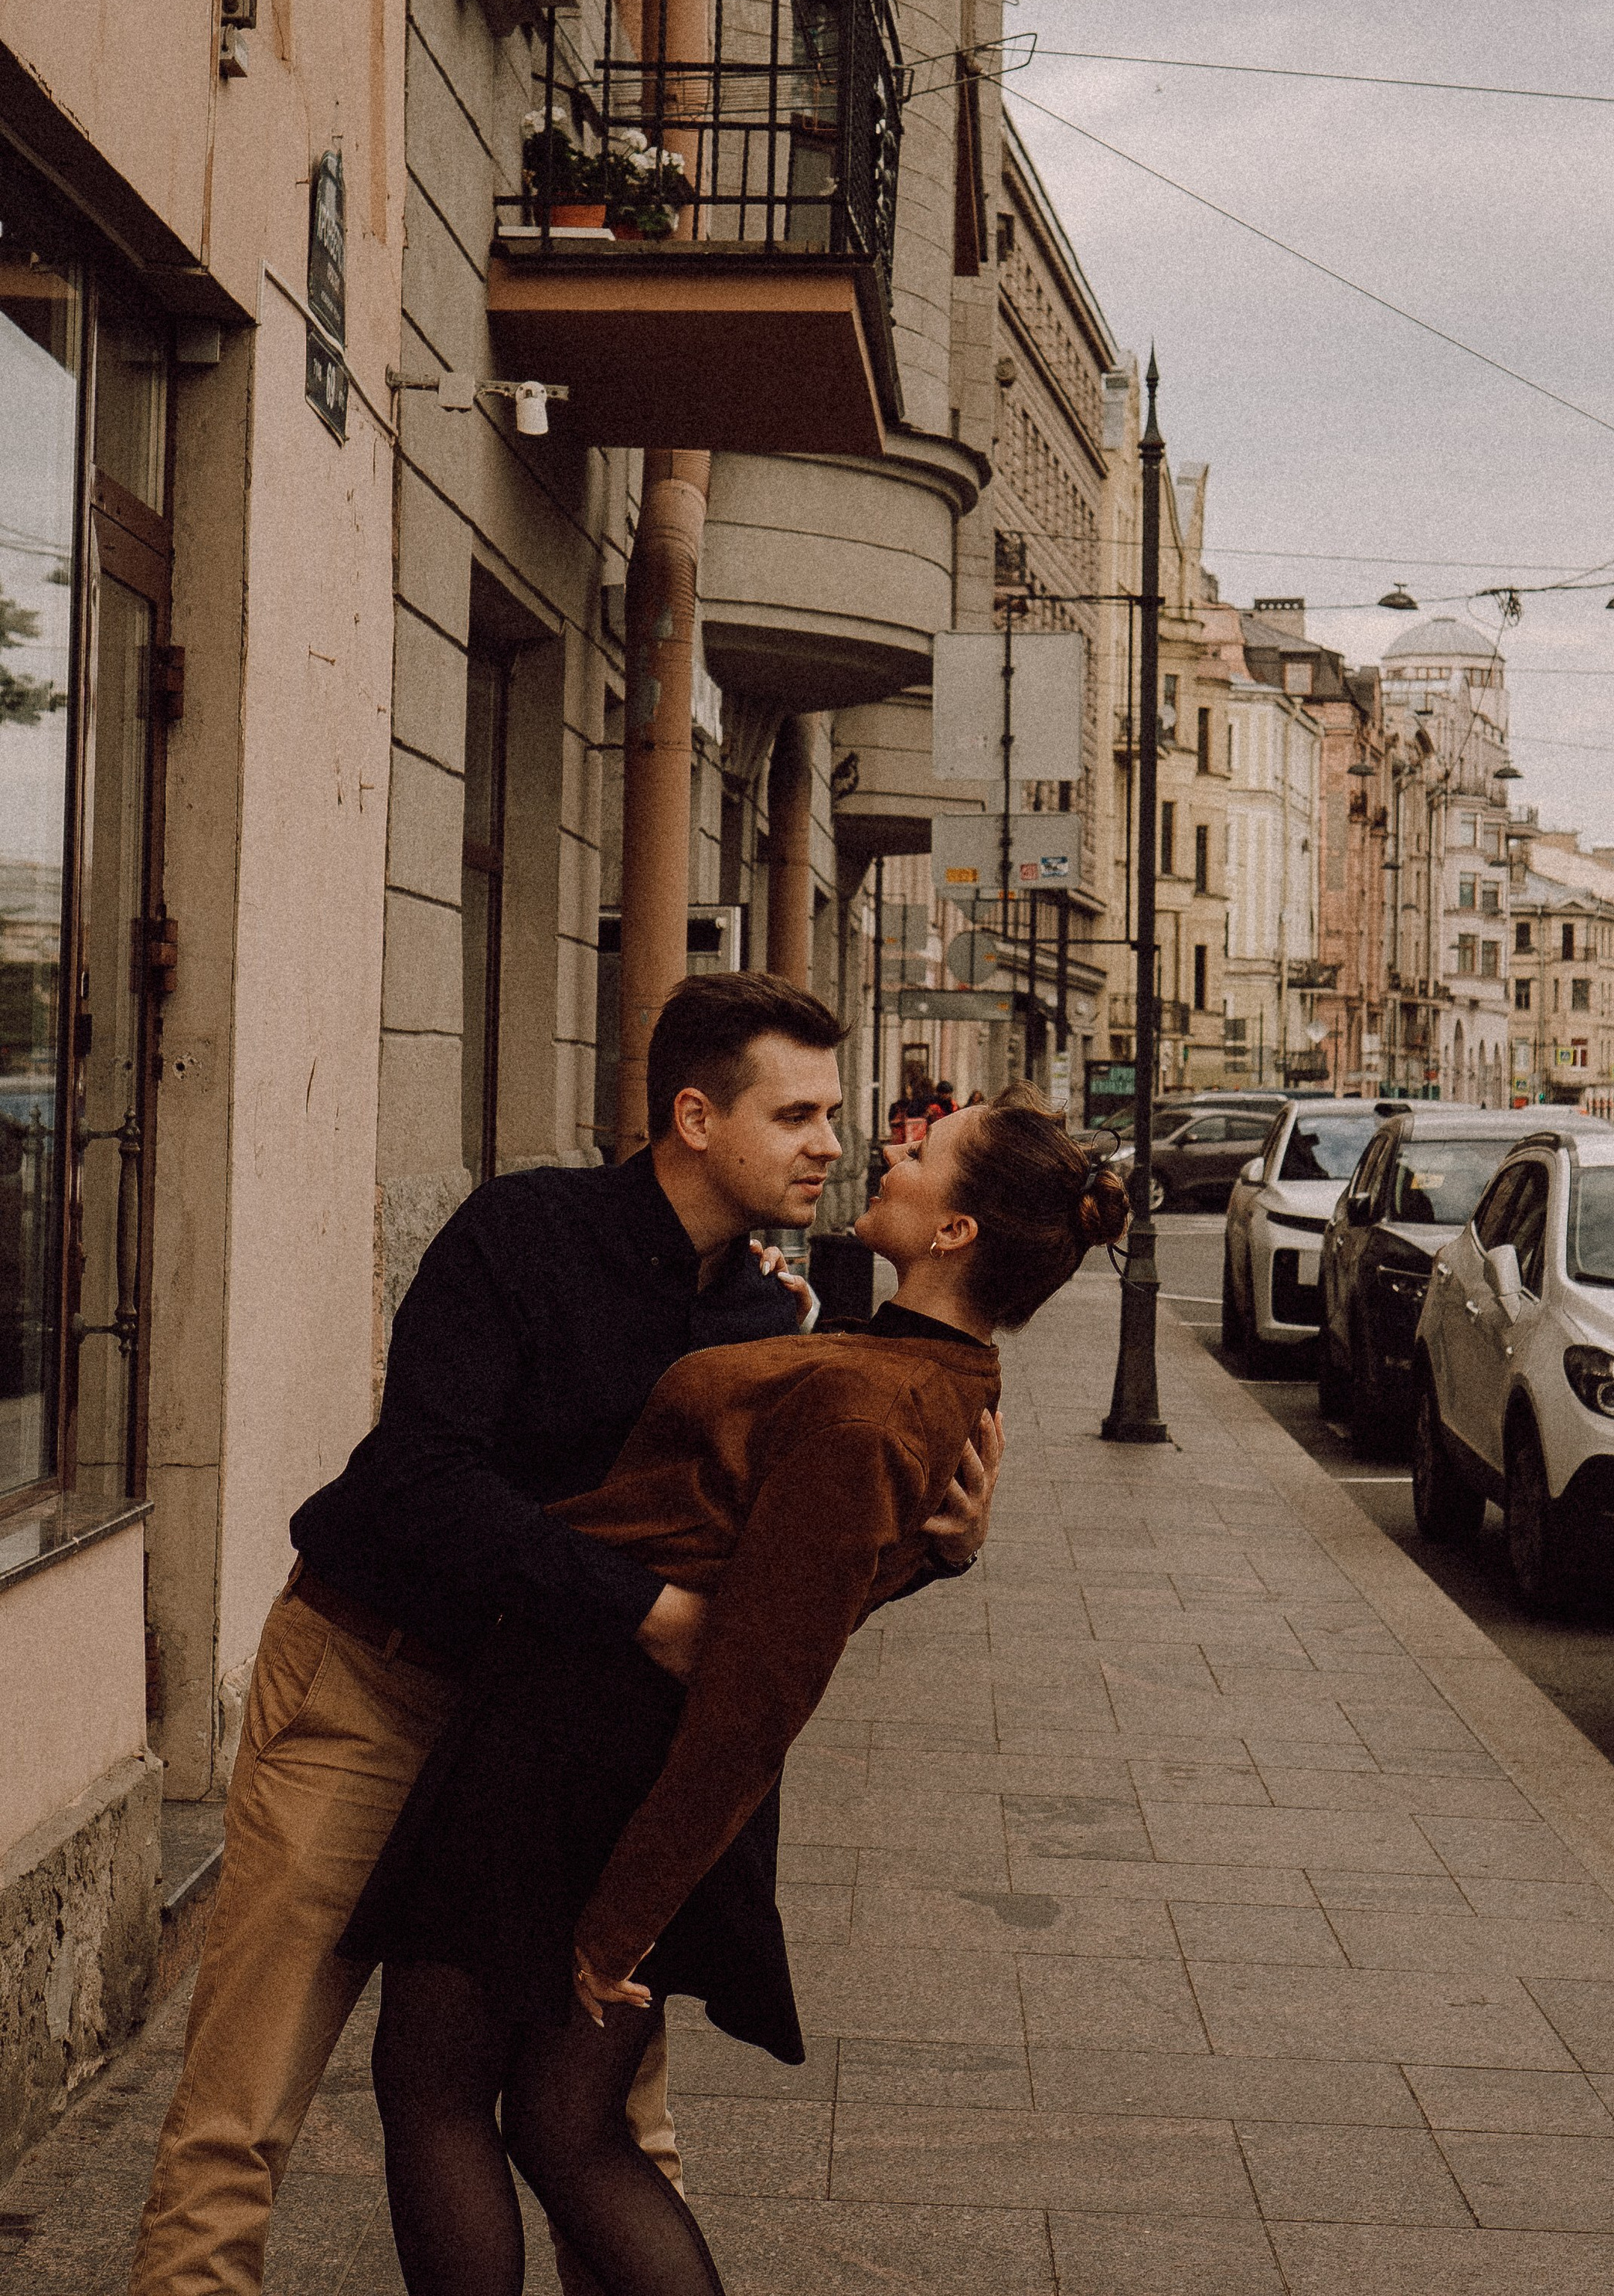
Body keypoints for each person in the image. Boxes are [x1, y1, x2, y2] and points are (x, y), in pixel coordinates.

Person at [128, 973, 1001, 2296]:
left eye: (840, 1113)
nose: (834, 1141)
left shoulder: (770, 1317)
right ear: (696, 1118)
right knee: (242, 2111)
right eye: (800, 1113)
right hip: (377, 1683)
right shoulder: (522, 1232)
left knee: (603, 2118)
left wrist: (936, 1551)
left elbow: (772, 1581)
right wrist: (644, 1613)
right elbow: (424, 1478)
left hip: (547, 1749)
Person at [344, 1089, 1128, 2296]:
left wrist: (620, 1926)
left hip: (580, 1750)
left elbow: (762, 1689)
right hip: (598, 1738)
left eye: (926, 1151)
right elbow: (800, 1587)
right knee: (563, 2132)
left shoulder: (877, 1405)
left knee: (441, 2090)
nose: (890, 1147)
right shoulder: (912, 1371)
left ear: (958, 1233)